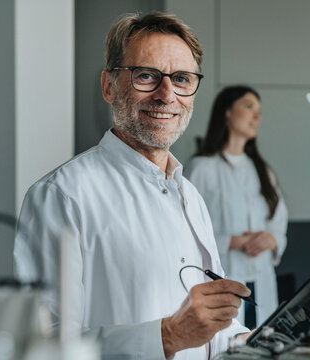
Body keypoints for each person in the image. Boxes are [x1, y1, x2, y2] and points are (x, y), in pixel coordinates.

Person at [14, 12, 250, 359]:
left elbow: (209, 329)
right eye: (146, 76)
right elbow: (41, 347)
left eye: (182, 79)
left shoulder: (191, 197)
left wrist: (250, 342)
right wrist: (166, 337)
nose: (167, 94)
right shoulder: (62, 195)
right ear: (109, 86)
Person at [184, 85, 288, 329]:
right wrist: (231, 242)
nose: (256, 116)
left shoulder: (263, 171)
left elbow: (279, 223)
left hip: (261, 283)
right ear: (227, 112)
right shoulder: (201, 169)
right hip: (222, 279)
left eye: (259, 111)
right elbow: (185, 231)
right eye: (249, 106)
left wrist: (271, 240)